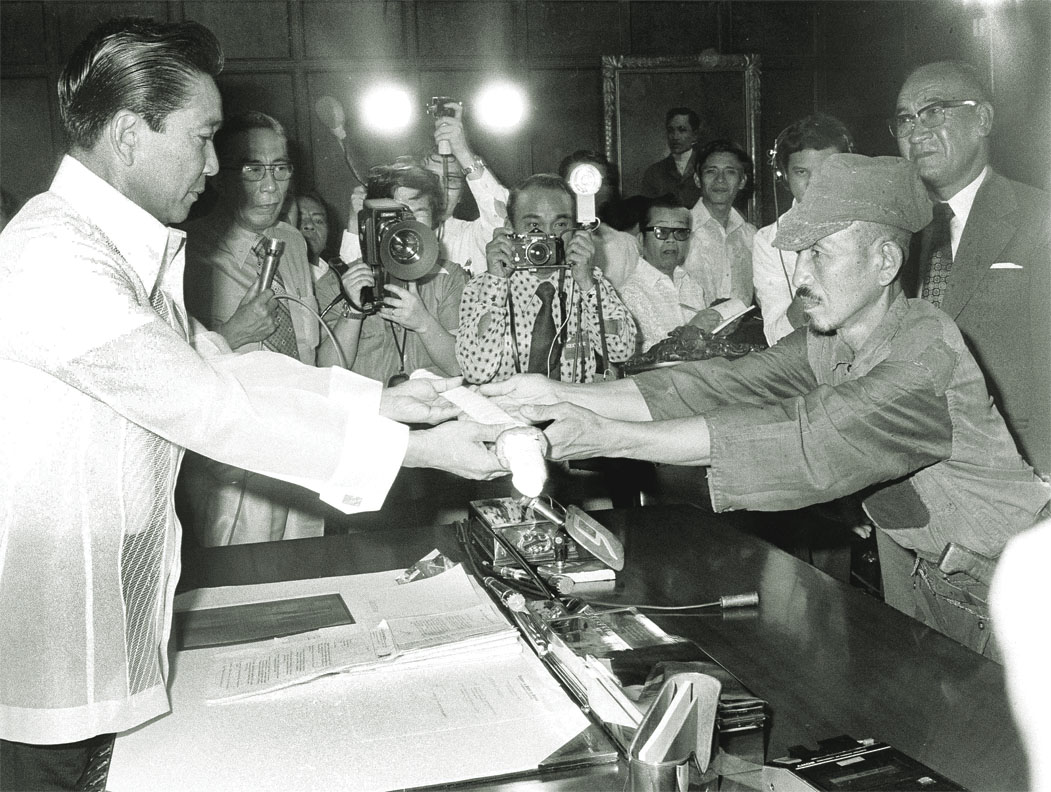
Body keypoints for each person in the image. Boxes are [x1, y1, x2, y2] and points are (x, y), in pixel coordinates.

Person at [0, 18, 504, 788]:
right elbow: (207, 407)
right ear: (131, 133)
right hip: (49, 639)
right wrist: (420, 450)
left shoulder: (111, 243)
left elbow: (223, 365)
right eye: (203, 137)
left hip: (107, 618)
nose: (213, 165)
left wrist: (387, 404)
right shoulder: (55, 259)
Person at [483, 155, 1050, 660]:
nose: (801, 277)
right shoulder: (834, 340)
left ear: (884, 263)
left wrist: (604, 436)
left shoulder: (923, 358)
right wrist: (557, 393)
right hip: (927, 576)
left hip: (1013, 593)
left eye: (820, 256)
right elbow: (726, 384)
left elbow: (804, 438)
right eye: (799, 256)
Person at [179, 112, 354, 545]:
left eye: (280, 168)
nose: (271, 185)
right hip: (235, 470)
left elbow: (309, 351)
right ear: (220, 174)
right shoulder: (187, 253)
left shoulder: (292, 243)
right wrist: (233, 332)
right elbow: (174, 377)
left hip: (303, 448)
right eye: (253, 169)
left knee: (306, 572)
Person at [894, 60, 1051, 477]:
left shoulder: (1040, 217)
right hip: (905, 472)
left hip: (1012, 471)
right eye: (905, 119)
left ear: (982, 118)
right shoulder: (894, 229)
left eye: (934, 111)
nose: (917, 130)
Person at [456, 173, 636, 384]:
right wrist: (496, 281)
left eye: (560, 225)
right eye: (534, 226)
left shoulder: (589, 282)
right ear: (509, 227)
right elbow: (476, 371)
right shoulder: (481, 288)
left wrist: (586, 284)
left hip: (572, 406)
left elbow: (621, 352)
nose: (548, 237)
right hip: (506, 408)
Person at [317, 163, 465, 384]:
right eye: (395, 214)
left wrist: (423, 323)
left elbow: (460, 366)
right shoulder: (339, 280)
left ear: (434, 220)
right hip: (372, 412)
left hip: (437, 408)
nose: (407, 223)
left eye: (418, 213)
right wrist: (353, 311)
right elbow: (327, 373)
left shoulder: (449, 278)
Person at [341, 100, 508, 277]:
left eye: (451, 180)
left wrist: (462, 150)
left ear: (462, 193)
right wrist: (355, 225)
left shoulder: (473, 236)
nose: (440, 189)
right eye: (430, 180)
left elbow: (502, 216)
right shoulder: (391, 235)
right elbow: (350, 289)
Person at [753, 114, 855, 345]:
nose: (815, 183)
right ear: (784, 176)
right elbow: (776, 336)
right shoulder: (767, 240)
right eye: (801, 172)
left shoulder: (870, 224)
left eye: (827, 170)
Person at [617, 198, 721, 350]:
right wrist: (690, 331)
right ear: (641, 240)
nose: (671, 240)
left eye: (680, 232)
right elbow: (639, 360)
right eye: (661, 232)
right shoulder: (628, 294)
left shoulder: (691, 285)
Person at [682, 139, 757, 322]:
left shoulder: (752, 235)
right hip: (688, 341)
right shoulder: (680, 231)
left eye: (730, 172)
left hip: (741, 342)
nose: (720, 180)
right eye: (711, 171)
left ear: (742, 181)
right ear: (698, 179)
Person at [557, 150, 641, 290]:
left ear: (607, 188)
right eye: (577, 181)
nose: (585, 190)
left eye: (593, 181)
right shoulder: (547, 242)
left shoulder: (626, 245)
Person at [640, 107, 703, 209]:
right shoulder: (653, 172)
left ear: (694, 135)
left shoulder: (705, 167)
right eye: (670, 130)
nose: (675, 136)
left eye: (682, 130)